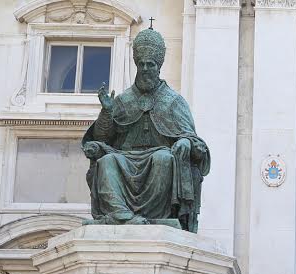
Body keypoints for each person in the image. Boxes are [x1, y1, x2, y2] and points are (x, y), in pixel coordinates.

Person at [82, 28, 209, 231]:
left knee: (163, 159)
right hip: (124, 157)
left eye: (150, 64)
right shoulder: (123, 100)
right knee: (106, 161)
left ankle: (157, 218)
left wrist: (185, 141)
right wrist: (106, 112)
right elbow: (102, 138)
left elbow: (193, 140)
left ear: (158, 67)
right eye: (141, 64)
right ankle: (121, 215)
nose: (145, 69)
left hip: (160, 155)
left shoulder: (174, 101)